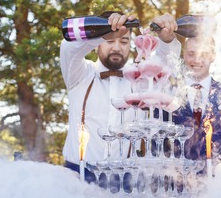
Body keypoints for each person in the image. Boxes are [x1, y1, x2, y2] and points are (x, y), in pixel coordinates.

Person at [60, 11, 178, 182]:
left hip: (125, 182)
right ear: (97, 44)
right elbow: (69, 47)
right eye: (109, 40)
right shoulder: (79, 74)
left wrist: (166, 41)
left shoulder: (140, 80)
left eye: (124, 41)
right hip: (77, 177)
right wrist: (102, 32)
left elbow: (165, 64)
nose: (116, 47)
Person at [159, 28, 221, 173]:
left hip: (218, 186)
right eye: (191, 54)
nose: (196, 60)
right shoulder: (167, 93)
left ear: (213, 56)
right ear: (183, 55)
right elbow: (157, 144)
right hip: (176, 184)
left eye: (204, 54)